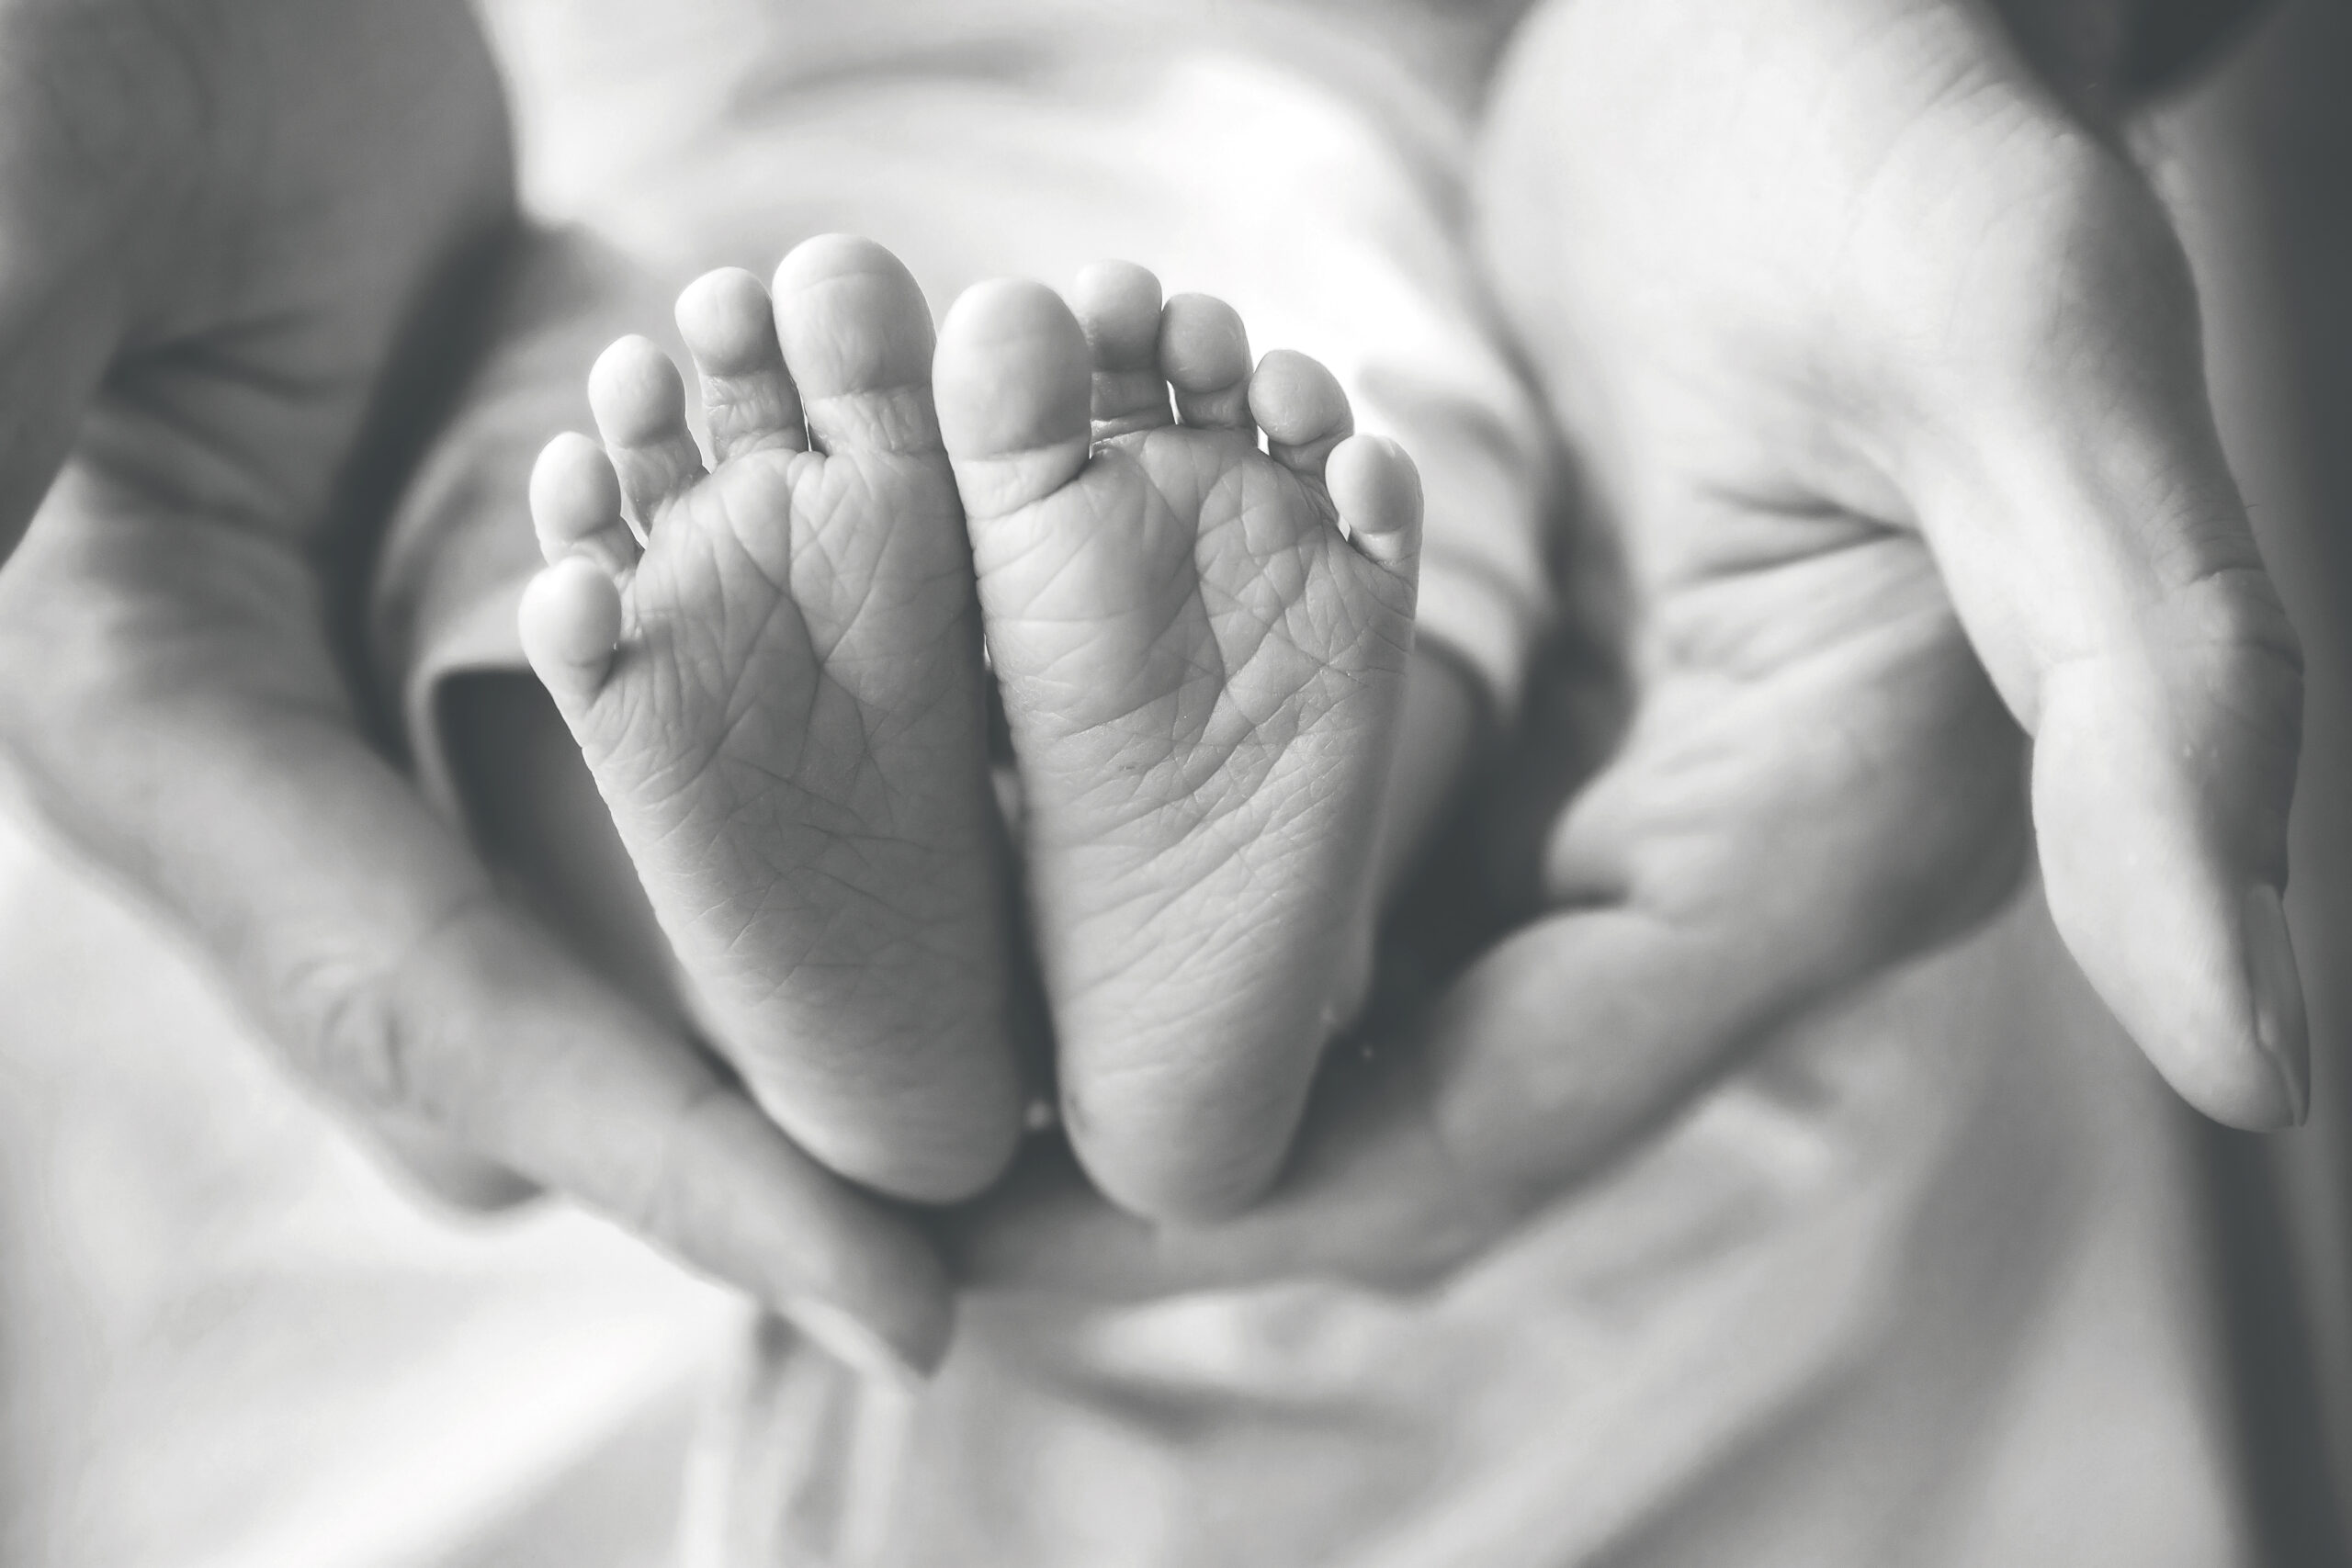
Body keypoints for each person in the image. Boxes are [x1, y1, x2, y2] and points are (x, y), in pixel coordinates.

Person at [0, 0, 2312, 1557]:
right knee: (1398, 478)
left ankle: (809, 1013)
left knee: (560, 516)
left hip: (667, 176)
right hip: (1364, 175)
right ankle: (1262, 981)